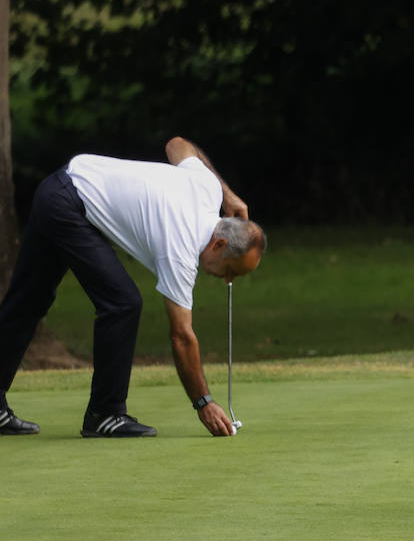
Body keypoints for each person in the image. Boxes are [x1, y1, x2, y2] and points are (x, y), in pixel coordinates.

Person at [0, 137, 265, 439]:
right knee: (122, 303)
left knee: (28, 301)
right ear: (219, 244)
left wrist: (225, 193)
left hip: (61, 188)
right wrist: (203, 403)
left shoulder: (208, 189)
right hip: (67, 202)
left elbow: (178, 146)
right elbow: (182, 336)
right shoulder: (181, 246)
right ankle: (105, 413)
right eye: (230, 271)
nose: (228, 280)